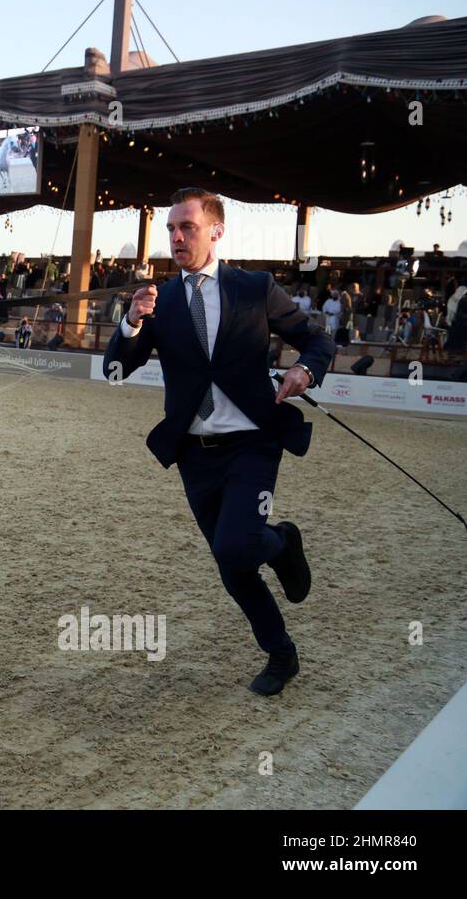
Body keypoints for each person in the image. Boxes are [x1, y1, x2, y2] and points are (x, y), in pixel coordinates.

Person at [102, 187, 335, 697]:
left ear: (216, 230)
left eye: (186, 226)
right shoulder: (156, 300)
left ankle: (280, 543)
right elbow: (116, 370)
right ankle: (282, 653)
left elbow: (318, 340)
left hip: (253, 442)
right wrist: (132, 320)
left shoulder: (254, 288)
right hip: (193, 453)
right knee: (232, 565)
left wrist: (304, 370)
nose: (176, 237)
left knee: (236, 546)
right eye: (170, 228)